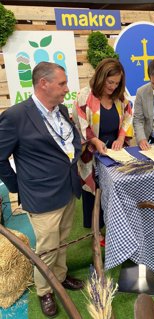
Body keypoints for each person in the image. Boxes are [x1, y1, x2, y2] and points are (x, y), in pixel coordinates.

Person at [0, 62, 84, 318]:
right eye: (62, 84)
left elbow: (68, 139)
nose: (66, 89)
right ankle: (45, 290)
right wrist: (18, 187)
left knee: (63, 239)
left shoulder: (60, 109)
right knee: (47, 247)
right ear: (43, 83)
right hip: (41, 196)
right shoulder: (16, 116)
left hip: (68, 188)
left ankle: (59, 276)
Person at [72, 58, 133, 244]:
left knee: (114, 189)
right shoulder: (85, 96)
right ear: (100, 78)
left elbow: (128, 117)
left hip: (113, 153)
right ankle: (96, 231)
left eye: (117, 83)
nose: (113, 87)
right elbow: (80, 124)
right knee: (93, 193)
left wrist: (122, 138)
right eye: (110, 82)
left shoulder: (121, 97)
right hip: (91, 153)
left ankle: (115, 225)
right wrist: (95, 141)